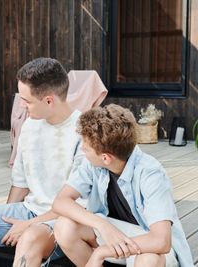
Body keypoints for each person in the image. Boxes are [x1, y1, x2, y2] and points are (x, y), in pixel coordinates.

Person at [0, 57, 83, 267]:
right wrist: (8, 221)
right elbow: (20, 182)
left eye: (27, 100)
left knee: (29, 238)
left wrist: (30, 224)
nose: (21, 105)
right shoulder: (30, 125)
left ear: (49, 100)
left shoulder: (83, 133)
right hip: (30, 210)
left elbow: (80, 204)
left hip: (66, 221)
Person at [52, 104, 193, 267]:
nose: (82, 148)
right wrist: (102, 225)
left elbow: (161, 241)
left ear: (106, 158)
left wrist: (100, 252)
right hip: (118, 236)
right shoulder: (93, 164)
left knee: (148, 260)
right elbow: (61, 202)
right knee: (64, 226)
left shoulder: (151, 173)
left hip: (151, 247)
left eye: (86, 147)